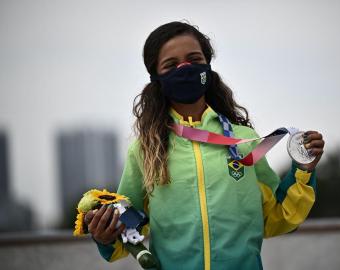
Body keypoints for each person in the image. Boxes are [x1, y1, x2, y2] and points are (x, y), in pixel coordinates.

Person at [85, 21, 325, 270]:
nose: (185, 68)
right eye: (171, 64)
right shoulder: (146, 150)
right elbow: (127, 230)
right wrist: (106, 236)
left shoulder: (244, 140)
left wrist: (303, 169)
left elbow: (278, 216)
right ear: (158, 77)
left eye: (193, 58)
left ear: (207, 67)